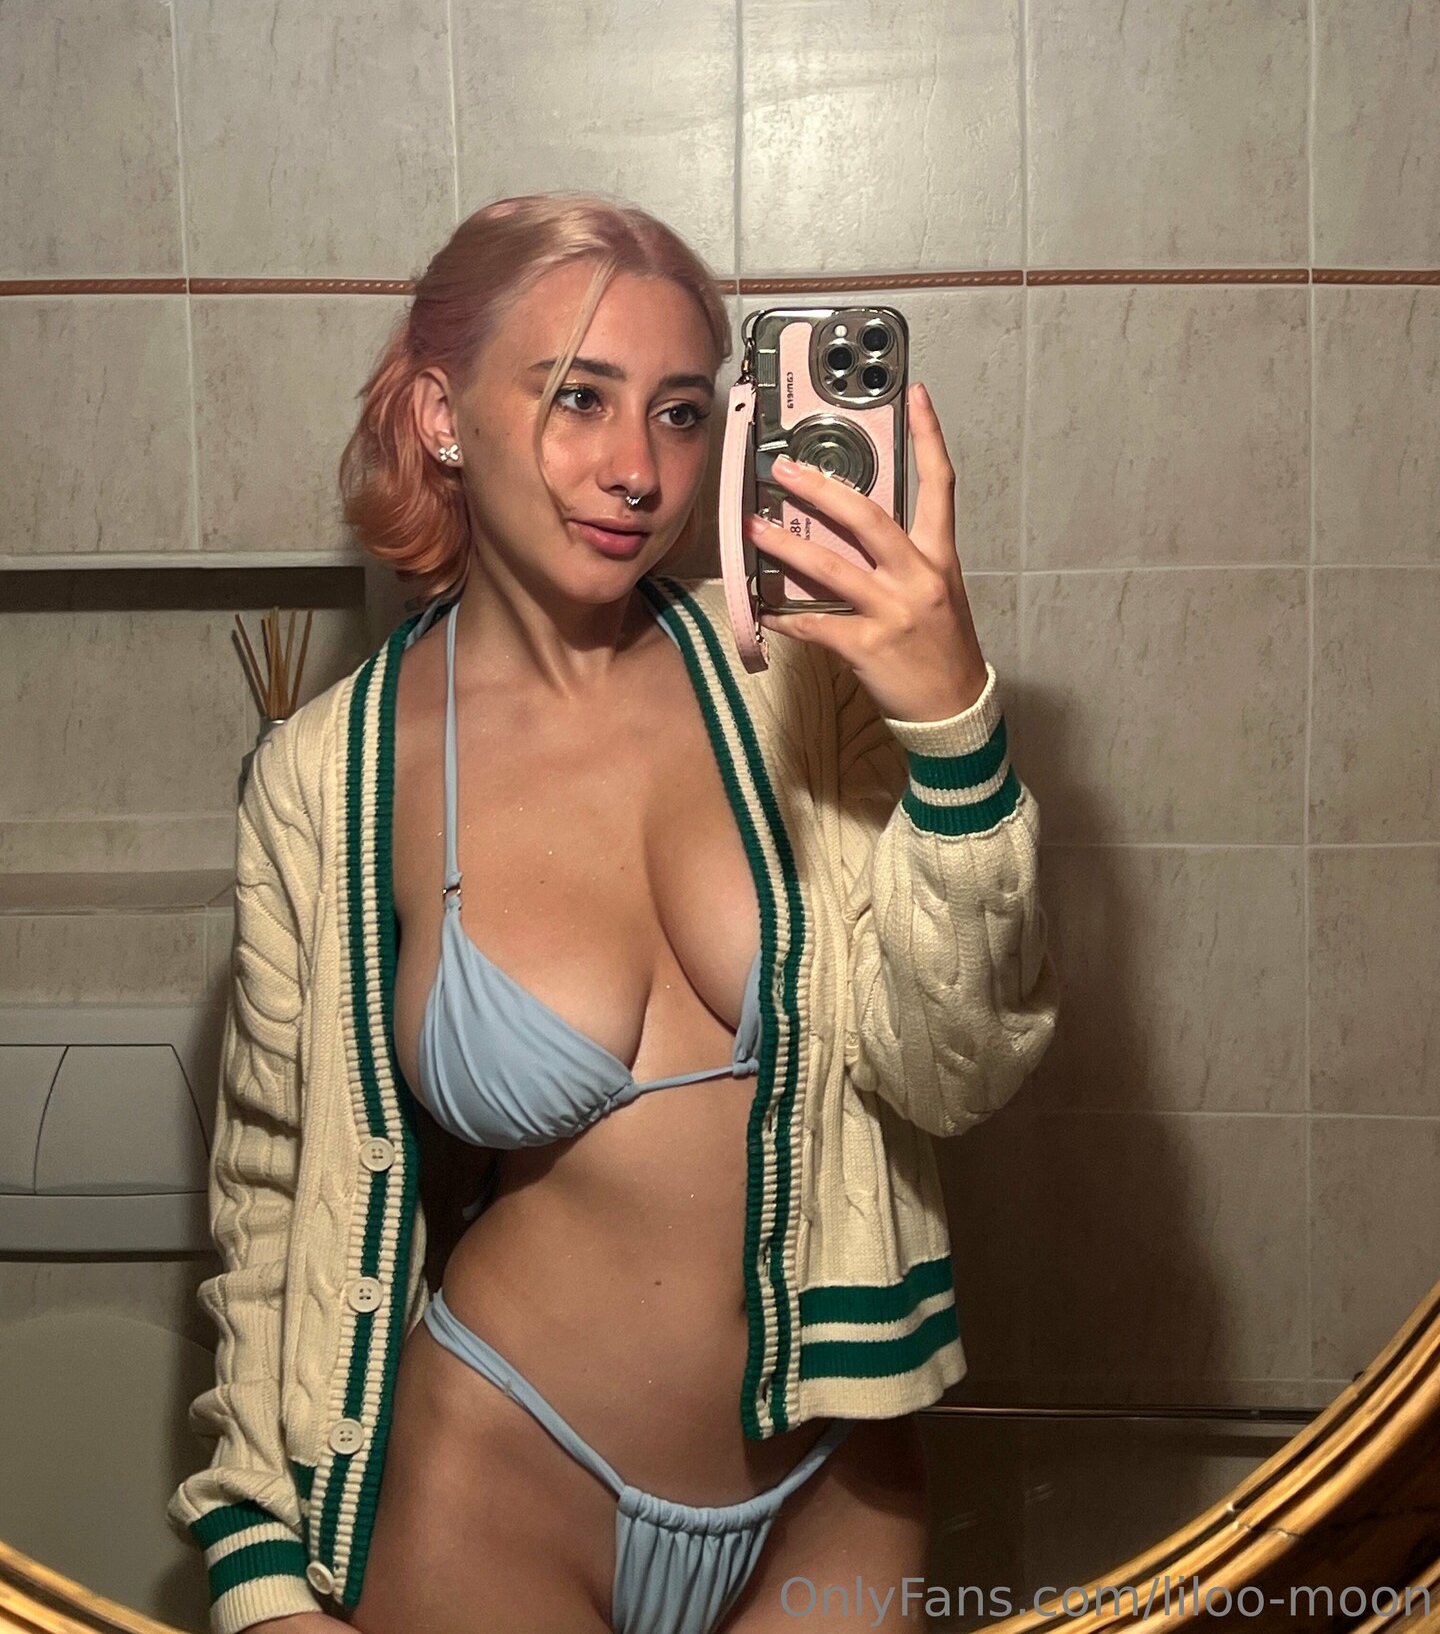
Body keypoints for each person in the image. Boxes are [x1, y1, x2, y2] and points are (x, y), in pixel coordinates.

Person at [166, 194, 1060, 1634]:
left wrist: (952, 720)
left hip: (837, 1475)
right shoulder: (328, 777)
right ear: (443, 415)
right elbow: (278, 1192)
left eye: (682, 412)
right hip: (498, 1478)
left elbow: (956, 1071)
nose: (638, 469)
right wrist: (258, 1570)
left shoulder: (801, 685)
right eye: (578, 398)